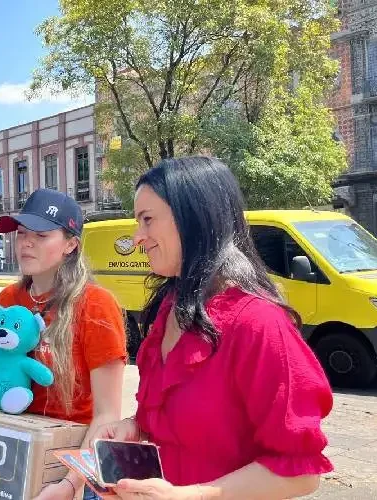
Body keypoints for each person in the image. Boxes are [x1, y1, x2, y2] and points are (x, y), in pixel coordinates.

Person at [92, 157, 333, 499]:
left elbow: (301, 471)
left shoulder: (259, 323)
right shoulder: (168, 309)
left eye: (147, 220)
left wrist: (194, 495)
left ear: (194, 218)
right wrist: (135, 428)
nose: (137, 238)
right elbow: (174, 423)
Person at [0, 188, 128, 500]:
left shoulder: (96, 305)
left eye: (40, 235)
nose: (25, 243)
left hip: (76, 469)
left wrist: (69, 485)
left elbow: (107, 416)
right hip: (17, 457)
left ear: (71, 244)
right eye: (22, 233)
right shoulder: (9, 301)